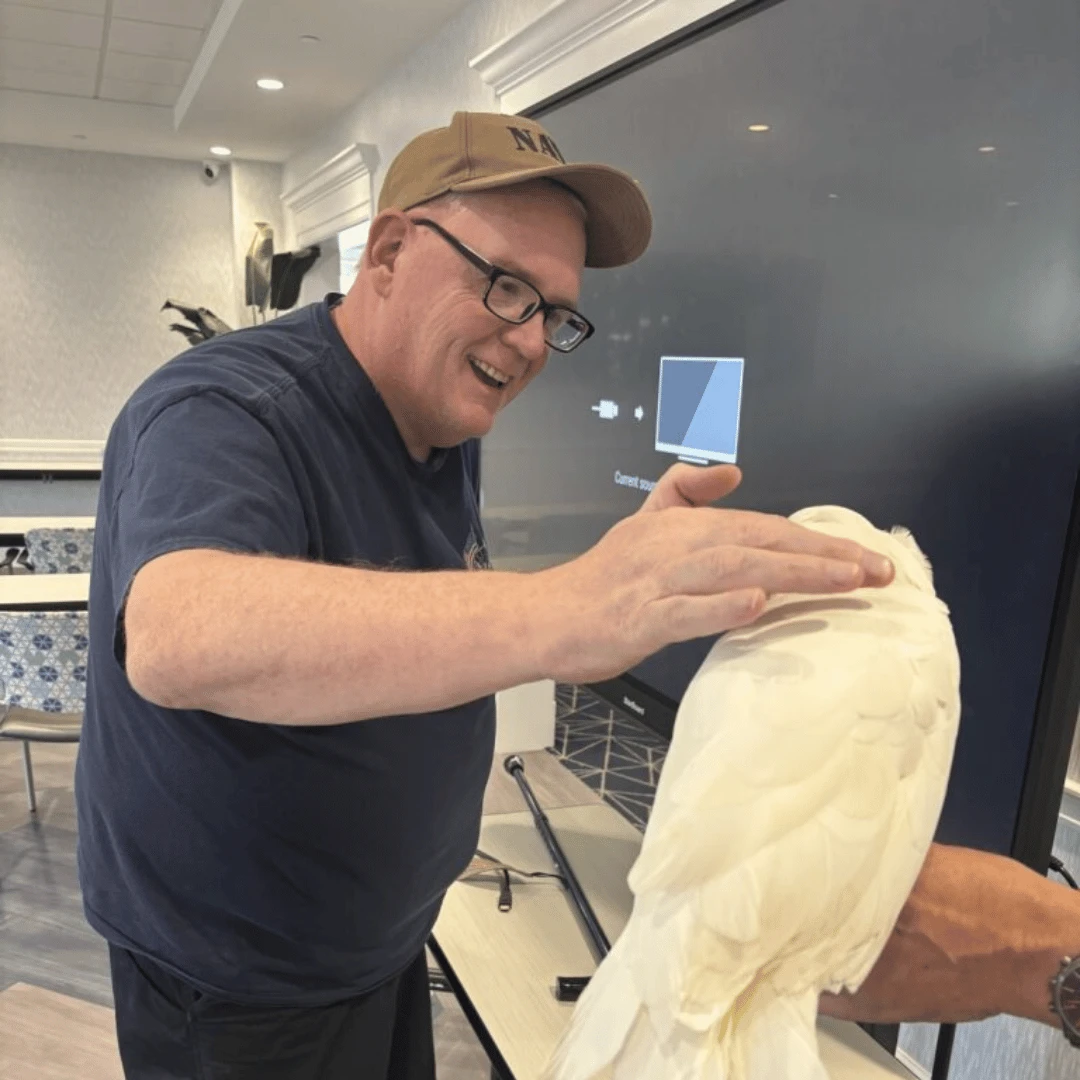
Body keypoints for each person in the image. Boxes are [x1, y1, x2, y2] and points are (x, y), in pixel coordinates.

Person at [76, 111, 1080, 1079]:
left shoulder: (435, 423)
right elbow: (181, 634)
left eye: (555, 314)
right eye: (506, 288)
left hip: (375, 948)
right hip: (238, 984)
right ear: (385, 253)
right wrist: (568, 609)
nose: (526, 344)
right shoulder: (222, 407)